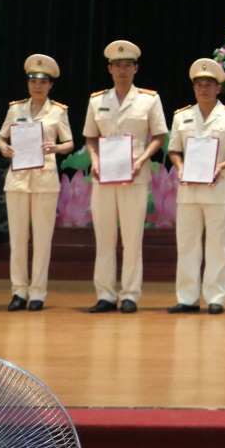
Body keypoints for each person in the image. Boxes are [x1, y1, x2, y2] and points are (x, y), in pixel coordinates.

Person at [83, 40, 168, 314]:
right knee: (104, 238)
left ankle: (130, 294)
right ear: (109, 69)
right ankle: (105, 295)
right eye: (117, 65)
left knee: (132, 239)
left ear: (136, 68)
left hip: (134, 176)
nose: (122, 70)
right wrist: (94, 160)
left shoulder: (149, 99)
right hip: (104, 176)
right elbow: (90, 137)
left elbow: (159, 135)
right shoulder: (97, 100)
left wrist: (142, 160)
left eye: (127, 65)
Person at [166, 59, 225, 315]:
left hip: (218, 188)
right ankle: (187, 298)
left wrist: (221, 166)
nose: (203, 89)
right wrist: (180, 166)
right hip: (188, 189)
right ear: (194, 88)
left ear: (218, 88)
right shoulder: (182, 116)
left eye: (208, 85)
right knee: (187, 245)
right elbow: (174, 150)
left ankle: (216, 298)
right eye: (199, 85)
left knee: (218, 245)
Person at [0, 54, 74, 312]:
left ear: (50, 85)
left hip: (44, 179)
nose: (37, 86)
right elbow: (1, 137)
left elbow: (70, 142)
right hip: (18, 180)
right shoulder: (15, 109)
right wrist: (3, 147)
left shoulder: (58, 111)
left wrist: (56, 147)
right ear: (28, 83)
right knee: (18, 240)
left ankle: (38, 292)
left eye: (43, 82)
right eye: (33, 81)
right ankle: (18, 291)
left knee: (42, 239)